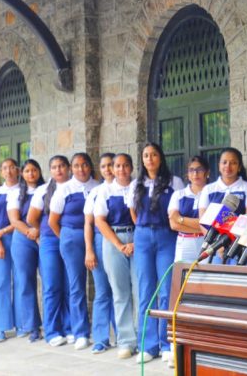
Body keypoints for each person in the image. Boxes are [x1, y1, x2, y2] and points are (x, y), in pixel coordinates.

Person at [128, 143, 184, 366]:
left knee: (167, 289)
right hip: (142, 236)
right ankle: (147, 345)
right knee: (145, 290)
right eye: (146, 155)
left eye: (153, 155)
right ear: (142, 159)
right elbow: (133, 212)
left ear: (160, 158)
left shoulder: (174, 182)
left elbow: (177, 211)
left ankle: (167, 344)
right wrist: (143, 228)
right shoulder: (136, 184)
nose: (150, 159)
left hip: (166, 236)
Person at [48, 153, 99, 351]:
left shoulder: (98, 186)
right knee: (77, 287)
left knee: (103, 285)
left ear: (90, 166)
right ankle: (81, 333)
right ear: (71, 168)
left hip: (96, 238)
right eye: (76, 166)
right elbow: (53, 221)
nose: (81, 169)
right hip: (72, 238)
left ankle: (104, 331)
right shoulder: (64, 189)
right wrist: (66, 239)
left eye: (84, 165)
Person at [94, 153, 137, 359]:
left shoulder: (138, 187)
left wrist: (135, 242)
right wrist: (119, 245)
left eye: (125, 165)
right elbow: (100, 221)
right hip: (114, 240)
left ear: (131, 167)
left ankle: (144, 338)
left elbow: (143, 216)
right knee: (120, 292)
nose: (121, 169)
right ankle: (126, 341)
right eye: (117, 166)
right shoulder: (105, 190)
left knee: (140, 290)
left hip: (137, 239)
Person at [27, 155, 72, 347]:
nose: (58, 170)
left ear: (68, 168)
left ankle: (70, 328)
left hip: (70, 239)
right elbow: (31, 218)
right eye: (54, 167)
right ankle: (52, 331)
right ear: (50, 170)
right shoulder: (43, 190)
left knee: (70, 285)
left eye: (62, 166)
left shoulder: (74, 187)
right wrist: (43, 234)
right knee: (52, 285)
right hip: (50, 241)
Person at [7, 159, 44, 342]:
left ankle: (55, 324)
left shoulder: (46, 189)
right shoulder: (15, 193)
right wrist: (31, 232)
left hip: (44, 235)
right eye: (27, 171)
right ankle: (32, 326)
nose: (31, 174)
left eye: (34, 170)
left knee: (50, 281)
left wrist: (38, 232)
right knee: (25, 281)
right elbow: (14, 220)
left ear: (39, 171)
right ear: (22, 173)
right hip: (23, 238)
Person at [83, 152, 115, 354]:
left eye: (111, 164)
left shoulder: (130, 187)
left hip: (122, 240)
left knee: (122, 291)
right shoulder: (95, 192)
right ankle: (101, 339)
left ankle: (125, 337)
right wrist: (89, 250)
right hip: (100, 241)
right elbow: (88, 223)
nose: (108, 169)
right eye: (103, 166)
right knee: (102, 291)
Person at [0, 158, 21, 342]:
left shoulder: (23, 190)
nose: (8, 171)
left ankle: (22, 324)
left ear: (18, 170)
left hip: (19, 238)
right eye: (5, 168)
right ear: (1, 172)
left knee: (21, 281)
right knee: (0, 283)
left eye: (12, 168)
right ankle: (1, 327)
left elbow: (21, 219)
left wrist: (4, 231)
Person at [168, 156, 209, 263]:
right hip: (184, 243)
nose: (195, 173)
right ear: (187, 174)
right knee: (183, 273)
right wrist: (203, 228)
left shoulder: (212, 193)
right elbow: (173, 224)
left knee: (206, 273)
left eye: (199, 169)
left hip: (206, 243)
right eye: (191, 170)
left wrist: (181, 219)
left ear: (207, 172)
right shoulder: (178, 194)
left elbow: (212, 224)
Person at [197, 147, 247, 218]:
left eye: (233, 163)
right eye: (224, 162)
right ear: (219, 165)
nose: (228, 166)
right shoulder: (208, 189)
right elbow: (203, 219)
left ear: (239, 167)